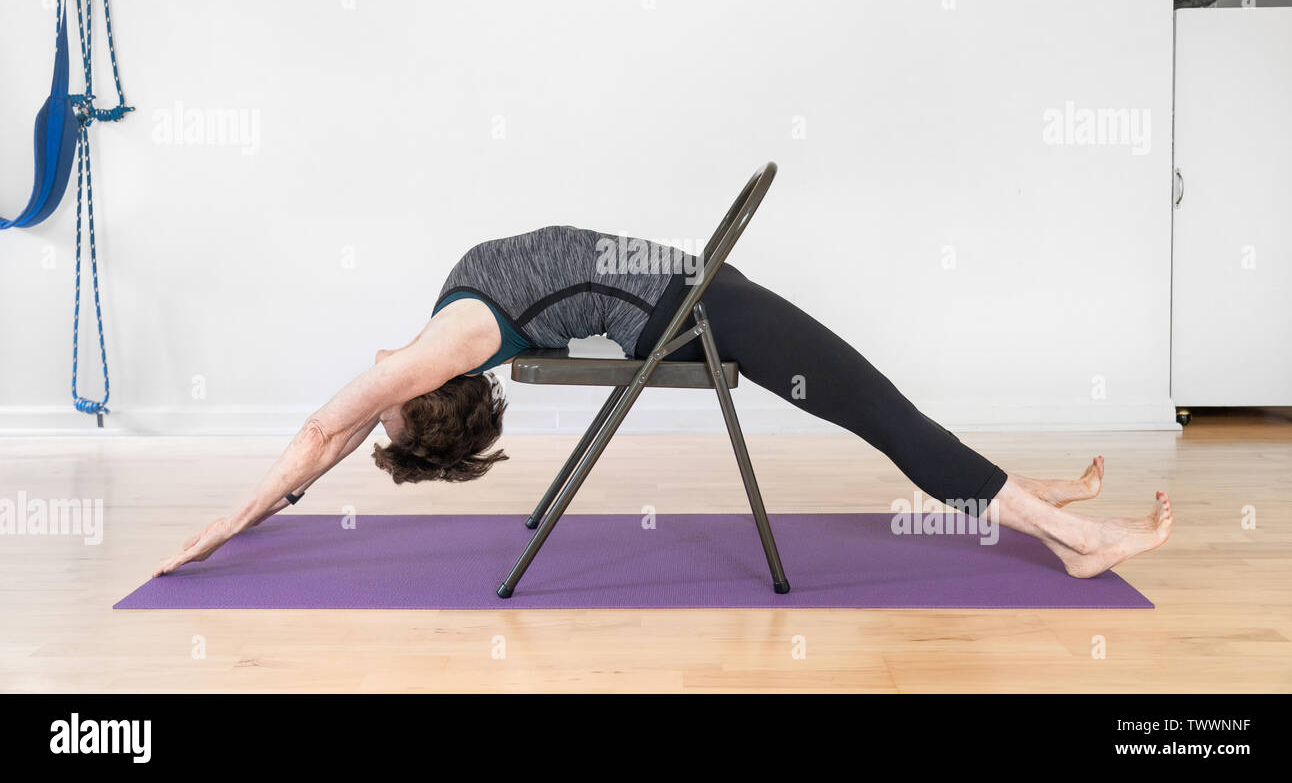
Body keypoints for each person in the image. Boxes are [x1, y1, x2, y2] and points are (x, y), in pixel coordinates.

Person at [154, 225, 1172, 580]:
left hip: (688, 286)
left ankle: (1017, 496)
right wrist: (227, 520)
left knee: (874, 401)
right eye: (389, 409)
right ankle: (1061, 533)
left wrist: (249, 513)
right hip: (690, 308)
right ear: (423, 399)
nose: (373, 392)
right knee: (872, 407)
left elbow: (339, 433)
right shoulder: (451, 341)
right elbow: (325, 430)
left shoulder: (454, 327)